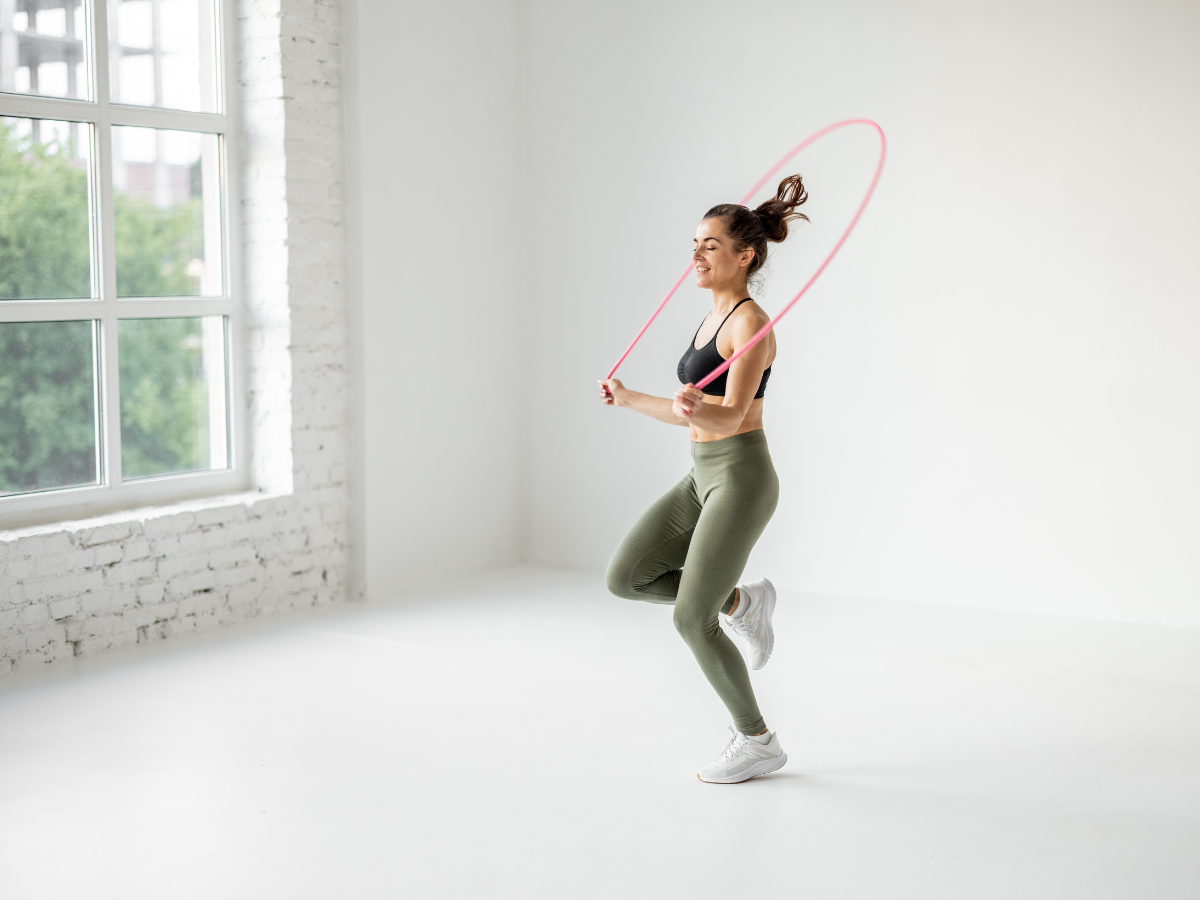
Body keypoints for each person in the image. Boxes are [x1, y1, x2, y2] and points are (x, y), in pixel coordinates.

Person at [599, 175, 809, 784]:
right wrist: (632, 397)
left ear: (744, 256)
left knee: (692, 619)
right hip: (703, 475)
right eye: (695, 243)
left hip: (742, 476)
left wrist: (696, 408)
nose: (696, 255)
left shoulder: (750, 324)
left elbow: (732, 414)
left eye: (710, 245)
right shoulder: (709, 316)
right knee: (626, 578)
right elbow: (690, 412)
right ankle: (744, 601)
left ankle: (758, 741)